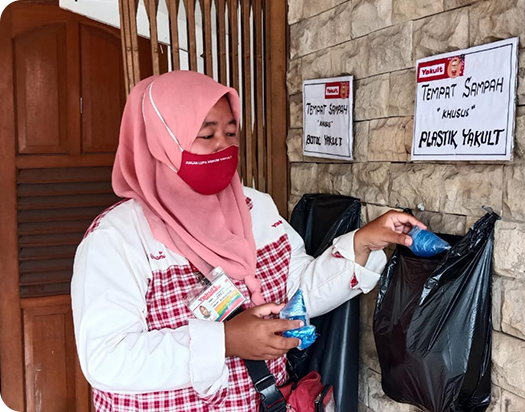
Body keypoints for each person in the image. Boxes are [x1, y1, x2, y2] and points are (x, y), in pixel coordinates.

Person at [71, 70, 425, 412]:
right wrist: (225, 341)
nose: (224, 147)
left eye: (230, 132)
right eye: (207, 136)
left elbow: (296, 293)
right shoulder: (117, 238)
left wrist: (363, 242)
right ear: (162, 141)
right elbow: (106, 359)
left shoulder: (254, 208)